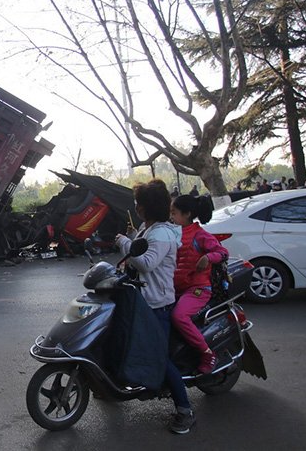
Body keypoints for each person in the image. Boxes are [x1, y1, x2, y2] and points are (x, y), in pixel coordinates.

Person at [115, 180, 193, 434]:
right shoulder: (146, 229)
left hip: (157, 303)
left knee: (160, 358)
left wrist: (124, 244)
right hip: (140, 298)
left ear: (148, 208)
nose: (137, 208)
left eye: (140, 204)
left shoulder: (161, 234)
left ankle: (185, 410)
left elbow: (146, 263)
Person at [169, 195, 228, 375]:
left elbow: (222, 252)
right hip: (175, 289)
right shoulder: (172, 233)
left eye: (174, 213)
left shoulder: (200, 235)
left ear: (186, 214)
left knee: (179, 316)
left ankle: (207, 354)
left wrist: (207, 257)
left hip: (197, 289)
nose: (170, 216)